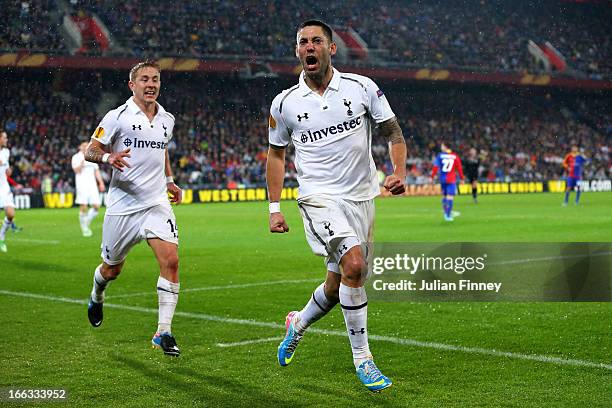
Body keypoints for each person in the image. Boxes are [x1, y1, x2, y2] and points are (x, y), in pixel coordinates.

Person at [266, 20, 406, 392]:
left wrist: (398, 171)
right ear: (297, 51)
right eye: (302, 42)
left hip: (361, 197)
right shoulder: (284, 103)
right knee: (355, 265)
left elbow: (393, 131)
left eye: (316, 41)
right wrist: (274, 207)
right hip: (318, 198)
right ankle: (364, 360)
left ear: (332, 48)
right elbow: (277, 156)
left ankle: (297, 323)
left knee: (336, 284)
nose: (308, 47)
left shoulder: (363, 88)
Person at [84, 61, 183, 356]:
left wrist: (169, 180)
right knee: (112, 269)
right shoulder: (117, 117)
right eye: (144, 80)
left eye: (155, 79)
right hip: (123, 206)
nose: (150, 84)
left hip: (155, 203)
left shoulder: (167, 119)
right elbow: (91, 149)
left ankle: (163, 332)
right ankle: (97, 294)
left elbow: (161, 148)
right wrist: (108, 158)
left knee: (172, 261)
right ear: (132, 85)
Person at [72, 141, 105, 237]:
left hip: (92, 185)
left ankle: (85, 222)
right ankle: (85, 229)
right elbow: (76, 170)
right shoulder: (76, 157)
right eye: (84, 146)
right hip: (81, 184)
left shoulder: (92, 156)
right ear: (80, 147)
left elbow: (97, 171)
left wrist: (101, 183)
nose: (85, 147)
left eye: (87, 146)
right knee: (84, 206)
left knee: (96, 205)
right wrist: (83, 161)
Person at [431, 142, 464, 221]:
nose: (441, 147)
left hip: (443, 179)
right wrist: (462, 178)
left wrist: (432, 176)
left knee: (444, 196)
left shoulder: (440, 155)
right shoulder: (455, 156)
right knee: (450, 197)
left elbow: (435, 166)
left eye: (442, 145)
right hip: (451, 179)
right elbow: (459, 168)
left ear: (446, 147)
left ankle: (446, 211)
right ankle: (448, 215)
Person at [0, 131, 18, 252]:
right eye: (5, 137)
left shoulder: (6, 152)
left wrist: (8, 170)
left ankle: (1, 236)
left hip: (3, 187)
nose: (7, 139)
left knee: (11, 214)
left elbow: (6, 170)